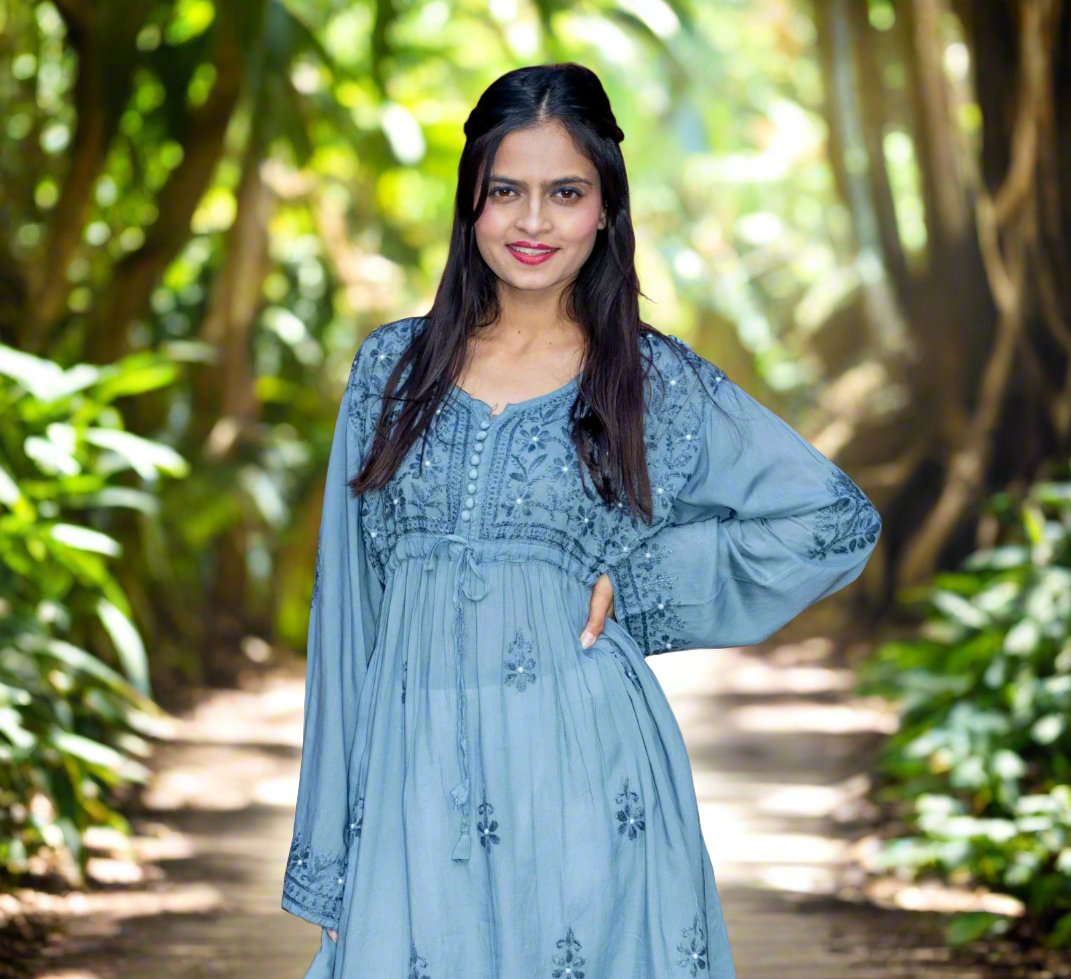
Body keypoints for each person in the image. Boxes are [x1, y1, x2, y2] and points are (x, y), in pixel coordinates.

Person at [281, 62, 881, 978]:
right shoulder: (390, 372)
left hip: (584, 778)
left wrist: (635, 583)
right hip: (410, 785)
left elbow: (830, 518)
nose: (531, 223)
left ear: (605, 207)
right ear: (469, 205)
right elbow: (347, 611)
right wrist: (332, 849)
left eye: (565, 192)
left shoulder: (650, 380)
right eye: (505, 192)